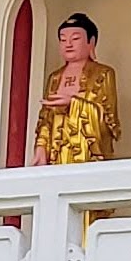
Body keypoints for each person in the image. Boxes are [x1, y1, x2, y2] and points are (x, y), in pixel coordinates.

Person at [32, 11, 121, 165]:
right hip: (56, 154)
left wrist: (74, 104)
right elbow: (46, 118)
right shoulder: (55, 78)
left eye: (75, 39)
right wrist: (41, 147)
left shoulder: (103, 73)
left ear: (91, 42)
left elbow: (107, 119)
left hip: (87, 152)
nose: (68, 44)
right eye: (63, 39)